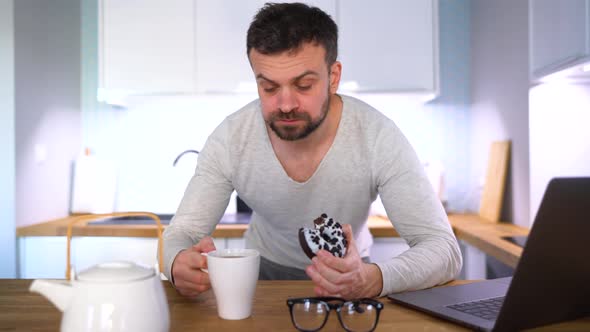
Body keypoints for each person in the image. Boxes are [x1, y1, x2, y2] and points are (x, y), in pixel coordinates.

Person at [162, 2, 462, 299]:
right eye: (268, 88)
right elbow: (181, 232)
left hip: (355, 274)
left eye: (304, 85)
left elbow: (443, 249)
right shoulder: (231, 139)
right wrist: (176, 261)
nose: (286, 104)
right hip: (263, 277)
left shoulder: (378, 136)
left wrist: (373, 279)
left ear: (333, 77)